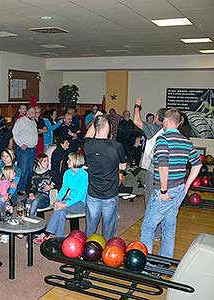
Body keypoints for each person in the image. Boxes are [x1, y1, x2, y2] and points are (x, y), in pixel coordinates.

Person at [140, 109, 202, 258]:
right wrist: (186, 187)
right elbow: (197, 164)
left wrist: (163, 191)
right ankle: (163, 263)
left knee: (148, 227)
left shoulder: (163, 139)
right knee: (169, 229)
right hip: (179, 189)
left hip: (165, 192)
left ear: (166, 121)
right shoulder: (186, 141)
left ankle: (145, 265)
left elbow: (163, 167)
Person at [84, 114, 126, 241]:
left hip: (93, 193)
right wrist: (120, 173)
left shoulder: (87, 145)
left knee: (90, 227)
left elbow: (87, 135)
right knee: (108, 228)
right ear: (108, 128)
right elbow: (123, 165)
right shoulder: (117, 146)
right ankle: (107, 253)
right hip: (110, 193)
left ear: (95, 127)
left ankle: (87, 252)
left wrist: (96, 119)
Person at [33, 153, 88, 243]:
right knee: (60, 209)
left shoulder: (84, 175)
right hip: (70, 199)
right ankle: (59, 238)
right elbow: (64, 188)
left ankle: (47, 233)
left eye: (69, 160)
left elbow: (79, 196)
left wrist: (65, 204)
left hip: (81, 202)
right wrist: (58, 200)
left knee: (61, 209)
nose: (67, 161)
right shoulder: (67, 173)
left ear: (75, 161)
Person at [133, 99, 166, 238]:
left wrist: (137, 105)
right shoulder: (171, 131)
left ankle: (155, 232)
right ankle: (162, 231)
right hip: (167, 172)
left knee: (151, 199)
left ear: (158, 118)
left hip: (154, 171)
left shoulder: (154, 129)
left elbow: (136, 121)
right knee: (162, 200)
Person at [12, 106, 38, 191]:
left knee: (29, 170)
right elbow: (14, 133)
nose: (32, 114)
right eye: (31, 112)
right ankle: (20, 189)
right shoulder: (21, 121)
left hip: (32, 149)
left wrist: (34, 143)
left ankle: (27, 188)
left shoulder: (33, 122)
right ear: (27, 112)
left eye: (34, 112)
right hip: (24, 150)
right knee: (22, 170)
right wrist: (20, 144)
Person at [0, 165, 16, 244]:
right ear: (8, 174)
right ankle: (6, 222)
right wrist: (8, 194)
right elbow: (3, 194)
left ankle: (5, 219)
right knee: (7, 206)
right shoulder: (6, 182)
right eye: (13, 173)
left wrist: (10, 185)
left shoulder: (5, 181)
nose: (15, 174)